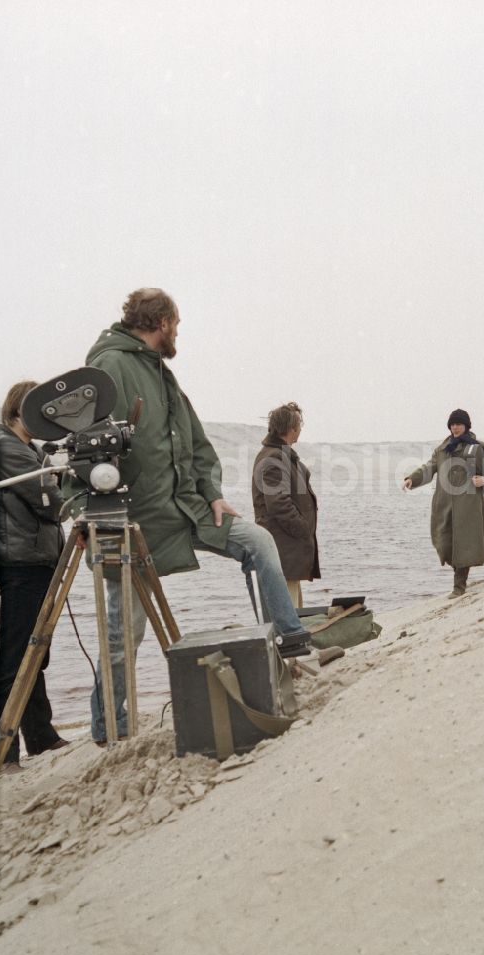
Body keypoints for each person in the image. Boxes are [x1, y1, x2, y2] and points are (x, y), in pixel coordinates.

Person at [81, 288, 329, 744]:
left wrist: (212, 492)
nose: (178, 332)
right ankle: (106, 728)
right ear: (162, 323)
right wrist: (92, 510)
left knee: (258, 541)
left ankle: (292, 637)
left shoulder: (162, 374)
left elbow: (196, 444)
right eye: (177, 324)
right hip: (131, 521)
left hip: (187, 510)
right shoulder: (108, 367)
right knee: (124, 633)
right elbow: (85, 448)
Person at [0, 381, 69, 773]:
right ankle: (5, 754)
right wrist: (64, 485)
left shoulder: (29, 448)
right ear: (21, 410)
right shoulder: (7, 445)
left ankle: (40, 737)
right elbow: (50, 501)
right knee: (16, 657)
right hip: (21, 562)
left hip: (36, 559)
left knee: (34, 653)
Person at [402, 409, 484, 599]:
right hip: (444, 502)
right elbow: (429, 467)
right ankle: (458, 575)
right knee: (444, 541)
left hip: (467, 504)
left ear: (466, 426)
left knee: (463, 544)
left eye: (458, 424)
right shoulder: (442, 449)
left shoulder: (476, 447)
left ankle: (459, 586)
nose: (455, 427)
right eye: (452, 424)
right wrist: (412, 479)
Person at [252, 402, 320, 608]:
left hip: (288, 548)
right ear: (291, 429)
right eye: (299, 425)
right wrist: (303, 529)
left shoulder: (282, 456)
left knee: (294, 612)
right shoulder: (273, 458)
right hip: (283, 548)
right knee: (287, 615)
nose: (300, 429)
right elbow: (278, 505)